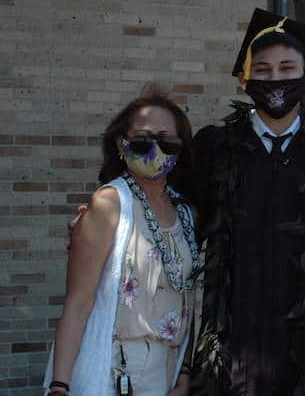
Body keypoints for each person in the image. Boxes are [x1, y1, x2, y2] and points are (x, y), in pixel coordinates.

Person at [186, 9, 305, 395]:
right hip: (233, 335)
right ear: (244, 80)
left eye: (287, 68)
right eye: (263, 70)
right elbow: (178, 218)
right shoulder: (214, 148)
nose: (275, 79)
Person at [44, 92, 199, 395]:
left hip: (167, 371)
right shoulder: (109, 204)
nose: (155, 150)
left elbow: (188, 297)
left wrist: (184, 370)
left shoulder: (186, 213)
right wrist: (59, 386)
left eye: (167, 142)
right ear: (120, 144)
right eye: (142, 140)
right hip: (115, 368)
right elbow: (78, 302)